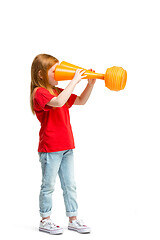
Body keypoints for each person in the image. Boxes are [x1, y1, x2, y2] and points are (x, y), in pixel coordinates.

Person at [30, 54, 96, 234]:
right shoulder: (39, 92)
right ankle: (45, 220)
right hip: (50, 148)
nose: (59, 73)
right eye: (54, 71)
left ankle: (73, 219)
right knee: (48, 185)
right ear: (41, 74)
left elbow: (81, 101)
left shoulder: (60, 90)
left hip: (67, 146)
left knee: (70, 184)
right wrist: (74, 81)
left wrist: (89, 85)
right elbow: (58, 103)